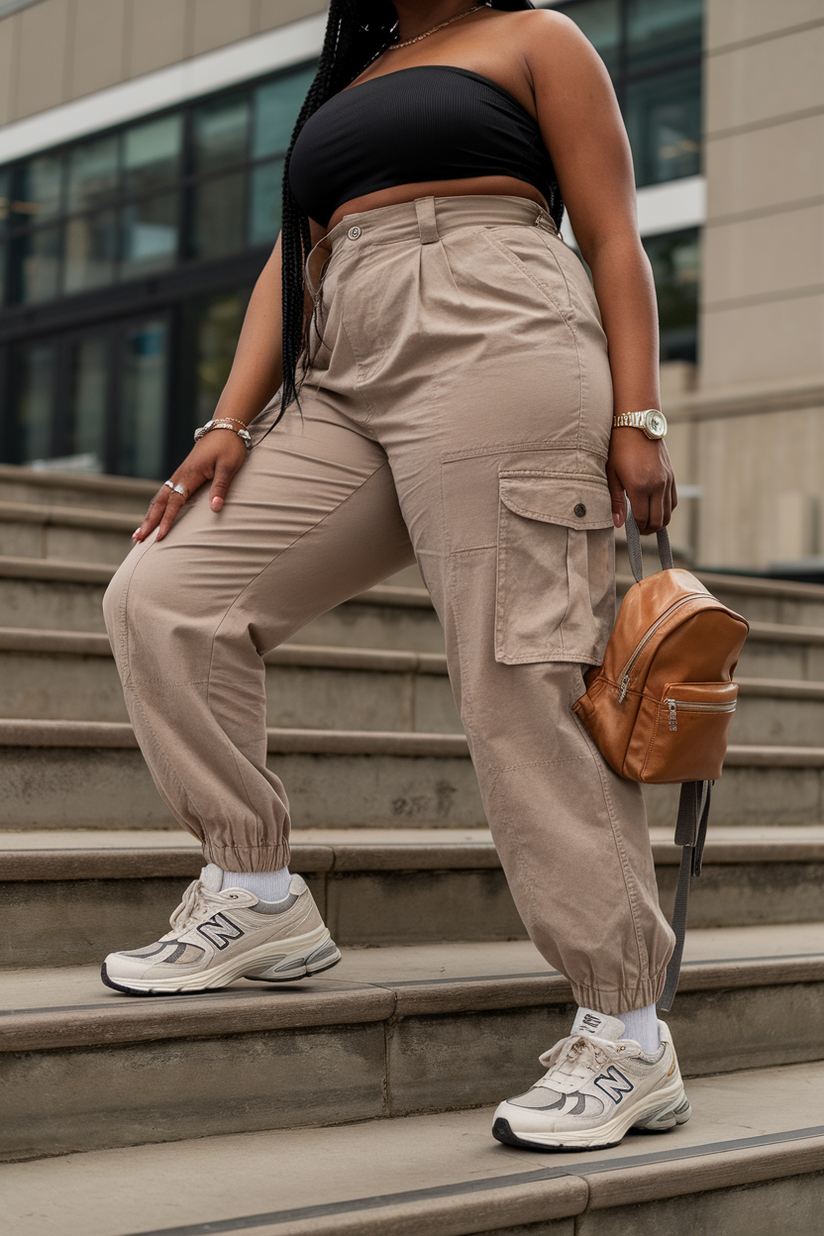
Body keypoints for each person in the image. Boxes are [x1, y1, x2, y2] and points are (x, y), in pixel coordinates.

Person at [101, 0, 689, 1151]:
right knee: (165, 596)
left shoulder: (535, 37)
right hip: (340, 357)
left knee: (515, 675)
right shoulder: (356, 71)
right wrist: (230, 417)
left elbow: (614, 236)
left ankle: (625, 1028)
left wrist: (638, 413)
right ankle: (255, 890)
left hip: (496, 328)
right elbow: (293, 251)